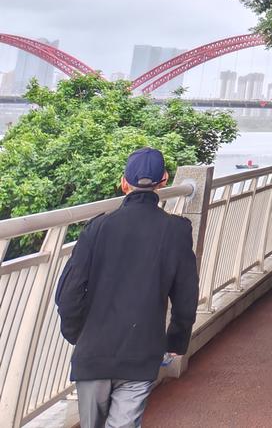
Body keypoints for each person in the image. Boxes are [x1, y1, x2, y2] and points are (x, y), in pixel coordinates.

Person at [55, 147, 198, 428]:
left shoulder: (97, 228)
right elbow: (186, 295)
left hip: (93, 354)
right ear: (164, 180)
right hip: (141, 353)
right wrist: (176, 340)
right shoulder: (177, 231)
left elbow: (69, 293)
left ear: (124, 183)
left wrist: (77, 335)